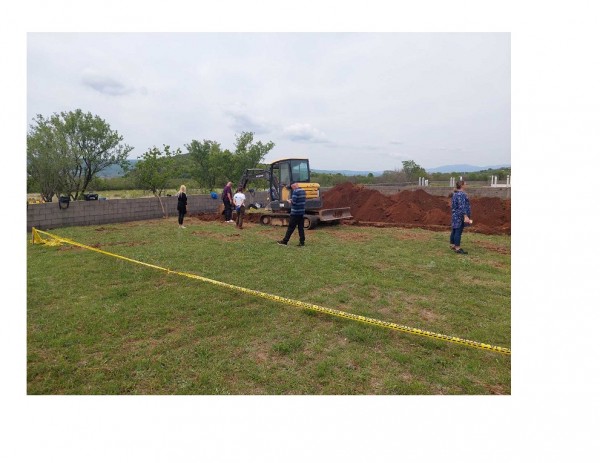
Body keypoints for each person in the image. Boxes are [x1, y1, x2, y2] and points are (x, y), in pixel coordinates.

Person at [277, 182, 306, 246]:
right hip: (301, 212)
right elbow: (300, 200)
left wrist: (289, 201)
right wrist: (293, 199)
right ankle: (302, 242)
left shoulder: (295, 192)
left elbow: (294, 203)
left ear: (293, 186)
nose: (292, 189)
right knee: (301, 228)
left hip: (295, 213)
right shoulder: (303, 191)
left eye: (292, 187)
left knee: (291, 227)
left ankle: (285, 241)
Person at [450, 180, 473, 254]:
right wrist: (465, 216)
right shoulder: (461, 194)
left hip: (455, 214)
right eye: (465, 184)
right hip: (460, 216)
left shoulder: (455, 193)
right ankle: (457, 248)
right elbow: (462, 206)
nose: (466, 185)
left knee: (454, 230)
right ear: (462, 185)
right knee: (458, 231)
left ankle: (453, 245)